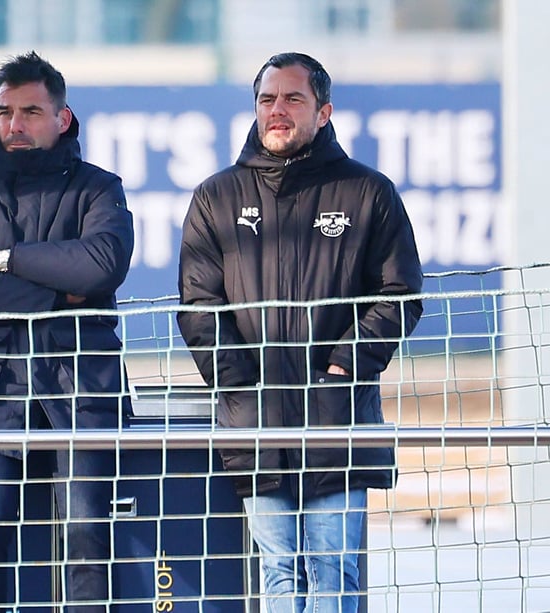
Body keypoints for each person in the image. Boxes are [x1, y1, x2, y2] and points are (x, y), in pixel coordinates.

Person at [177, 52, 423, 612]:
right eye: (267, 99)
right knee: (279, 572)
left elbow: (400, 294)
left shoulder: (367, 192)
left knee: (333, 570)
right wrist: (241, 383)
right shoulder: (216, 197)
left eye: (293, 98)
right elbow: (198, 305)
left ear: (324, 111)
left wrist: (342, 367)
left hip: (337, 415)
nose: (278, 110)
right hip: (254, 420)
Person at [0, 51, 134, 612]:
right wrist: (57, 296)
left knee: (87, 533)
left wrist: (8, 260)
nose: (15, 125)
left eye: (31, 112)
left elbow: (100, 266)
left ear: (62, 118)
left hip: (82, 388)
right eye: (5, 112)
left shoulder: (99, 188)